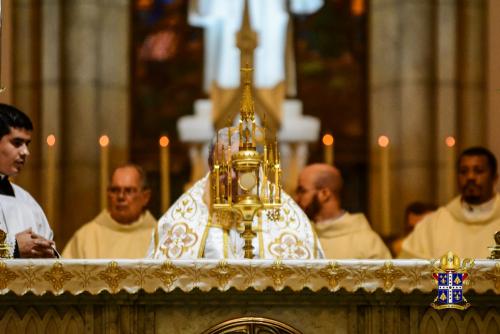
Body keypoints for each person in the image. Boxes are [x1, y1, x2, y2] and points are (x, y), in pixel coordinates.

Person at [148, 128, 323, 259]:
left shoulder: (281, 209)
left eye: (238, 168)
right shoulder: (188, 210)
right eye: (223, 169)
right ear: (210, 167)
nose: (231, 176)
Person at [400, 146, 500, 259]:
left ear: (494, 178)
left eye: (478, 171)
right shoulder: (433, 225)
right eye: (463, 172)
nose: (470, 177)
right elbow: (408, 269)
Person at [295, 163, 391, 259]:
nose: (296, 199)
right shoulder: (298, 237)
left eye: (302, 191)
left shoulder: (368, 243)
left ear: (325, 194)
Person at [62, 164, 157, 258]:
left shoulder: (160, 237)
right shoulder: (85, 237)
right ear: (108, 194)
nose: (121, 197)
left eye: (128, 191)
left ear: (145, 197)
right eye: (115, 190)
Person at [0, 103, 56, 258]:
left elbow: (50, 249)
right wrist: (14, 247)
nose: (26, 152)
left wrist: (49, 252)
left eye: (27, 144)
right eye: (17, 143)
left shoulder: (27, 201)